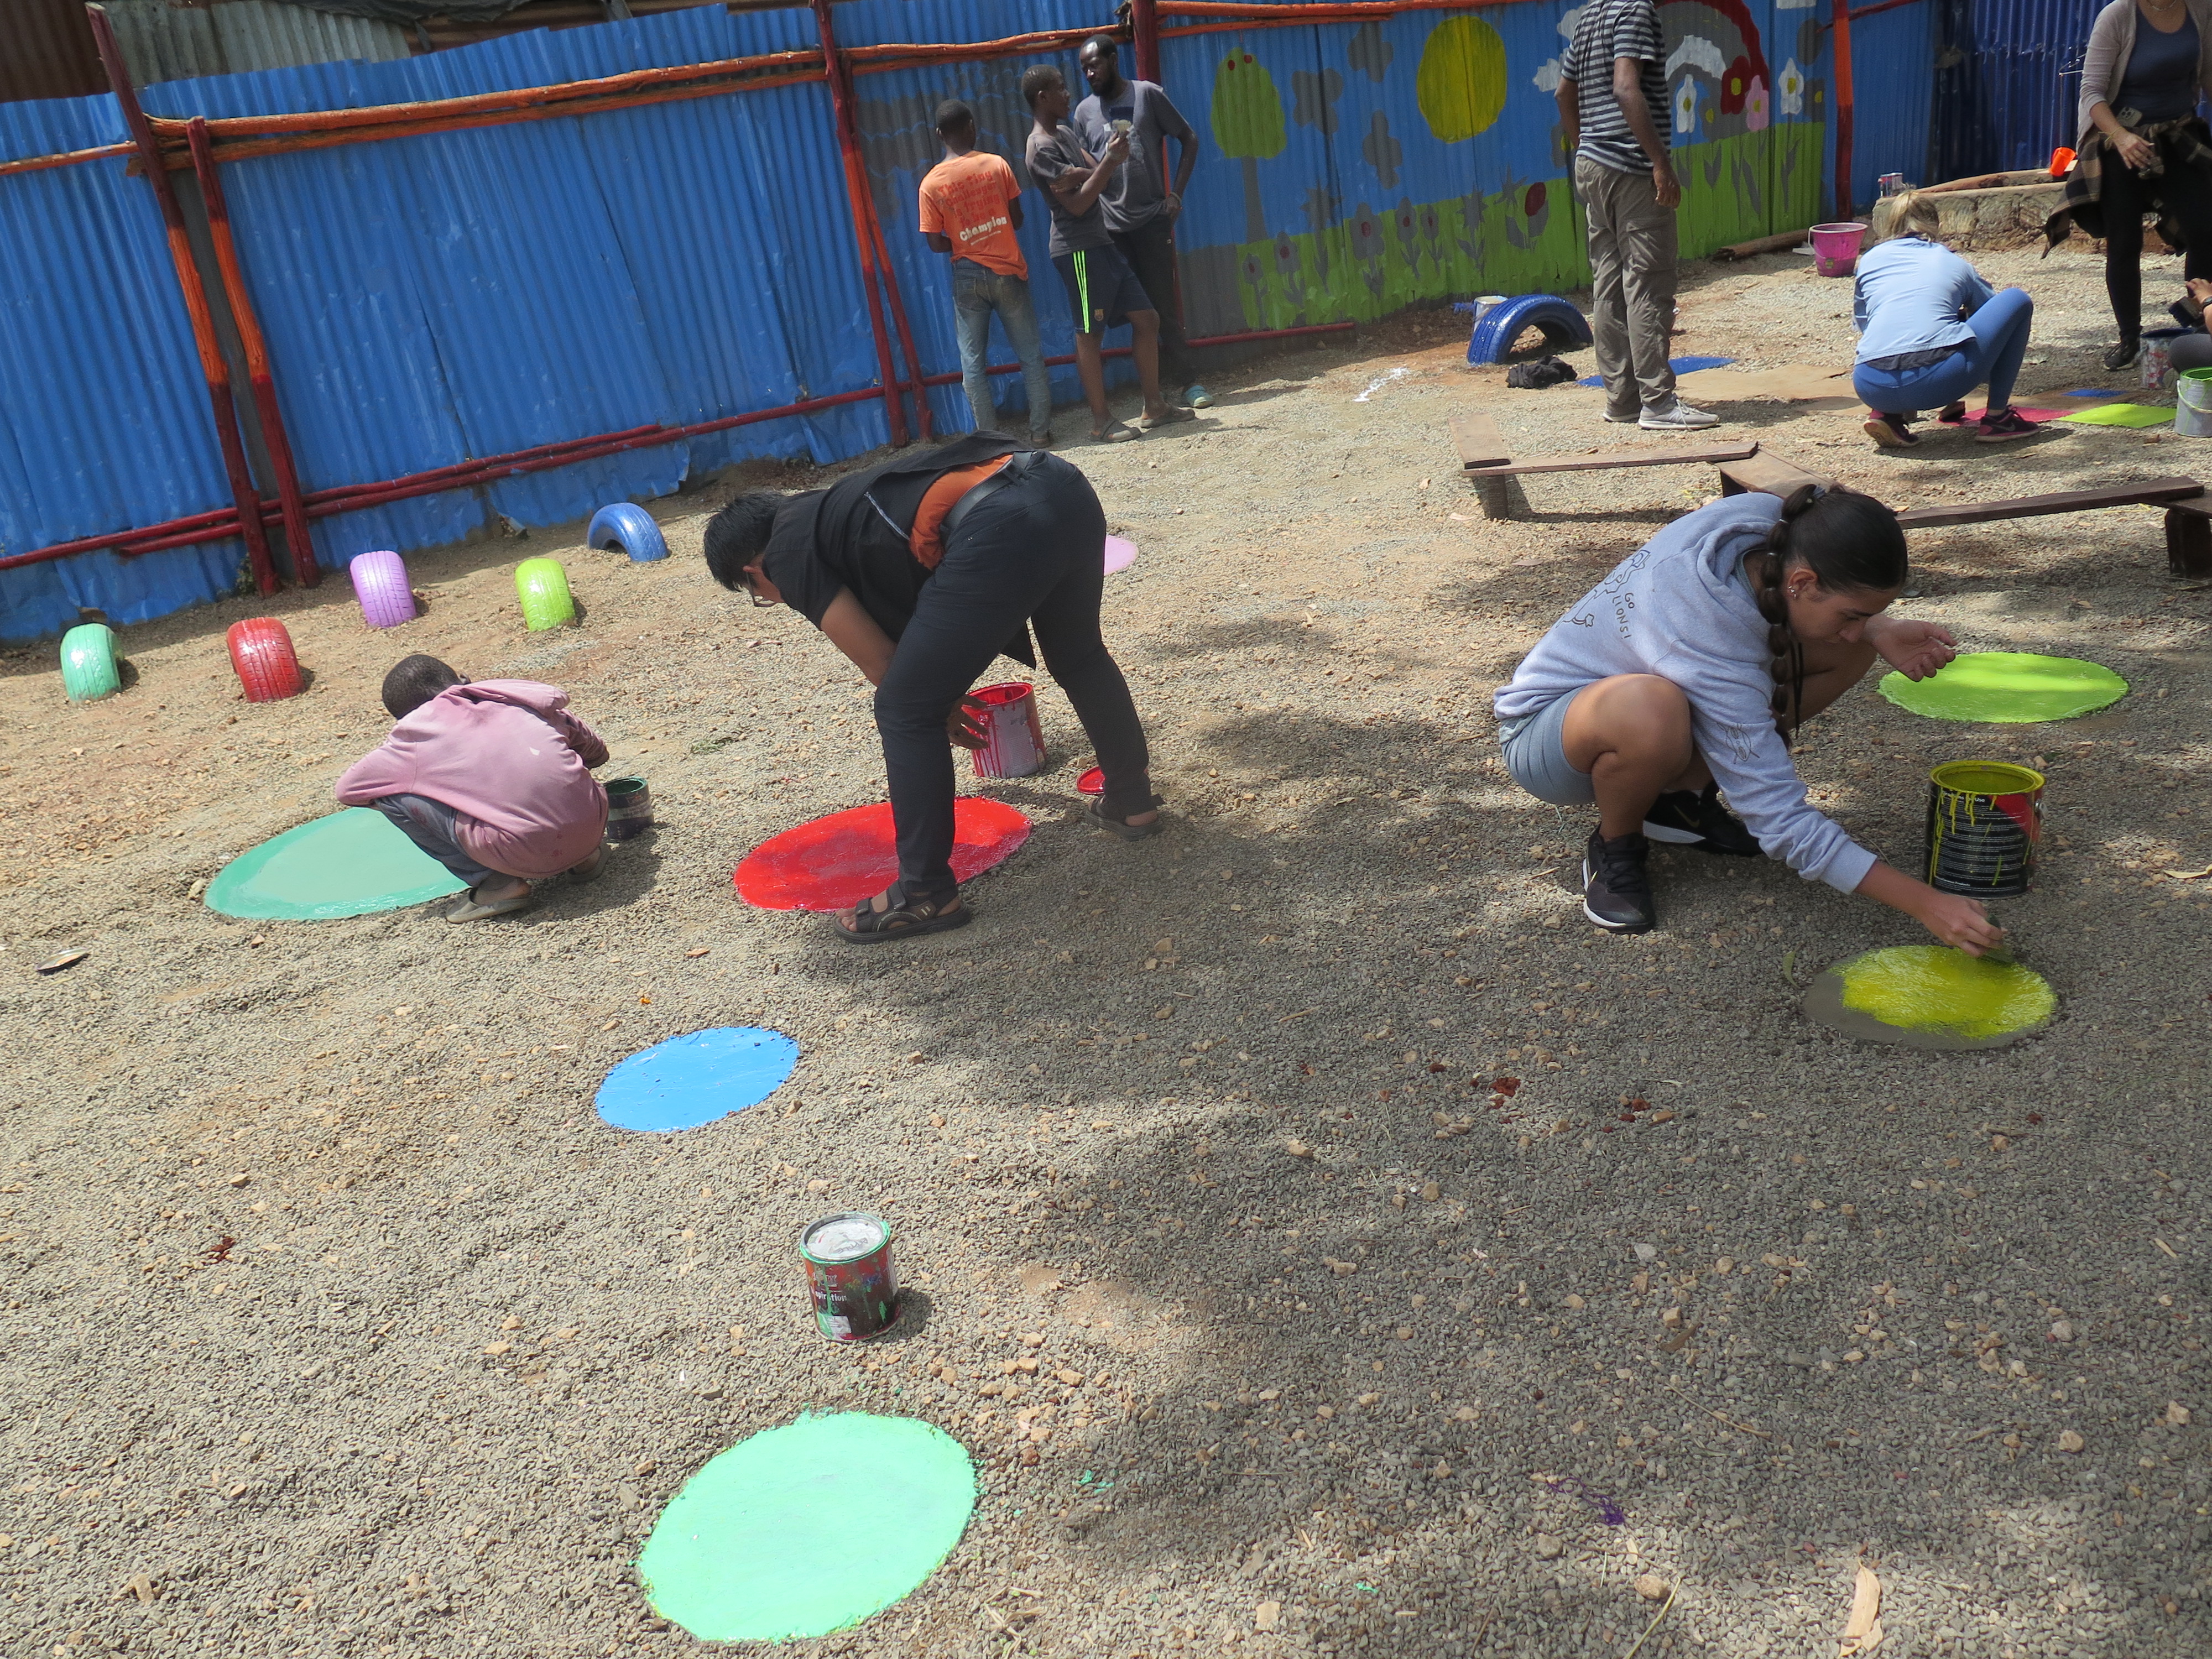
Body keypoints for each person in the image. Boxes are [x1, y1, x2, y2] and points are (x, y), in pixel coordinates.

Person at [1491, 489, 2004, 956]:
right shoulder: (1699, 635)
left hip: (1641, 704)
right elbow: (1780, 821)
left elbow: (1826, 616)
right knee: (1651, 709)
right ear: (1802, 582)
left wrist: (1878, 627)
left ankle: (1675, 807)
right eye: (1852, 612)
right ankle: (1617, 845)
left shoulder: (1774, 523)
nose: (1855, 627)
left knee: (1850, 653)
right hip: (1547, 737)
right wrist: (1927, 904)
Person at [702, 434, 1160, 942]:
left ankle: (924, 893)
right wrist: (933, 692)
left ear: (753, 572)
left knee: (901, 709)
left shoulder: (786, 551)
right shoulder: (827, 511)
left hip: (1000, 519)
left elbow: (882, 663)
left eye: (761, 596)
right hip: (1060, 484)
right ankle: (1131, 798)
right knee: (1078, 654)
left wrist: (928, 703)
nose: (776, 599)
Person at [336, 655, 610, 924]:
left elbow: (347, 791)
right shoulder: (518, 700)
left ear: (405, 717)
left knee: (391, 797)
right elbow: (597, 754)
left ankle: (497, 884)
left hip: (522, 853)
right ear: (464, 680)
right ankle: (585, 858)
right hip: (593, 827)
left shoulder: (412, 739)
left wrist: (442, 787)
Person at [1556, 0, 1718, 432]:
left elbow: (1563, 93)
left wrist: (1586, 145)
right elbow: (1626, 88)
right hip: (1629, 168)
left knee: (1609, 285)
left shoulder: (1590, 15)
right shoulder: (1636, 13)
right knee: (1648, 283)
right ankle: (1659, 404)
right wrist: (1659, 164)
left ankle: (1623, 401)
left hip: (1592, 165)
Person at [1021, 62, 1191, 444]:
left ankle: (1154, 406)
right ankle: (1102, 421)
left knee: (1147, 319)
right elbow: (1079, 205)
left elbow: (1098, 171)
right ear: (1042, 98)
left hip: (1101, 243)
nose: (1069, 94)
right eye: (1061, 89)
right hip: (1077, 251)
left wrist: (1089, 170)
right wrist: (1100, 168)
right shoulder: (1041, 148)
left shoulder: (1064, 132)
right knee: (1089, 334)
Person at [2048, 0, 2212, 369]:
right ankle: (2129, 338)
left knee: (2204, 230)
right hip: (2119, 141)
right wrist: (2121, 137)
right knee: (2125, 241)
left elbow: (2208, 75)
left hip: (2176, 134)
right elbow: (2092, 93)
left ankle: (2202, 324)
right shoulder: (2118, 16)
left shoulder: (2201, 9)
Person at [1071, 35, 1212, 411]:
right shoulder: (1084, 113)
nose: (1089, 73)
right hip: (1111, 230)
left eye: (1095, 65)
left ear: (1114, 60)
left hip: (1151, 221)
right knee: (1133, 312)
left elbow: (1190, 138)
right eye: (1084, 68)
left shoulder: (1147, 95)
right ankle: (1151, 394)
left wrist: (1175, 195)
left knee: (1163, 307)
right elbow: (1087, 169)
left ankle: (1188, 382)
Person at [917, 99, 1056, 447]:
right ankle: (1040, 433)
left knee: (973, 367)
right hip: (1008, 270)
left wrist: (964, 242)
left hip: (966, 276)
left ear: (938, 135)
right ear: (972, 126)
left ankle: (992, 444)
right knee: (1030, 357)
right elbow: (1018, 219)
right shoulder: (996, 165)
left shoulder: (930, 184)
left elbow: (935, 244)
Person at [1852, 191, 2039, 447]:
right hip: (1939, 382)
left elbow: (1866, 323)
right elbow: (1992, 318)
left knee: (1895, 329)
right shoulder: (1952, 262)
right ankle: (1998, 418)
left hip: (1870, 384)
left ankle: (1888, 415)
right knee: (2017, 300)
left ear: (1891, 224)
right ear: (1935, 224)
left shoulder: (1869, 260)